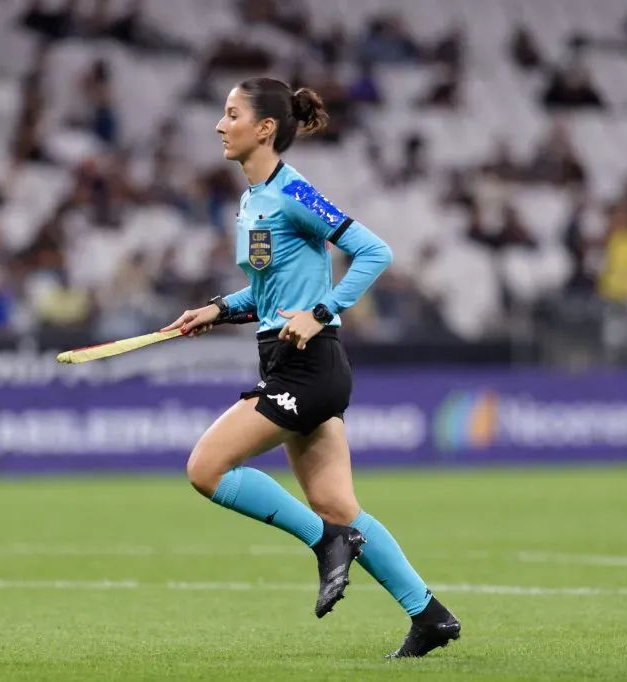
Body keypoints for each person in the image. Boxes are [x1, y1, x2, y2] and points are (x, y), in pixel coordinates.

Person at [159, 77, 461, 658]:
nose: (220, 125)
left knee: (207, 468)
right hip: (286, 357)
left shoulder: (294, 191)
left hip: (309, 366)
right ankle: (430, 616)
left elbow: (375, 251)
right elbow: (267, 297)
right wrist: (218, 310)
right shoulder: (252, 202)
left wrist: (324, 311)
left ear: (264, 128)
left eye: (231, 114)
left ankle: (326, 543)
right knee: (340, 506)